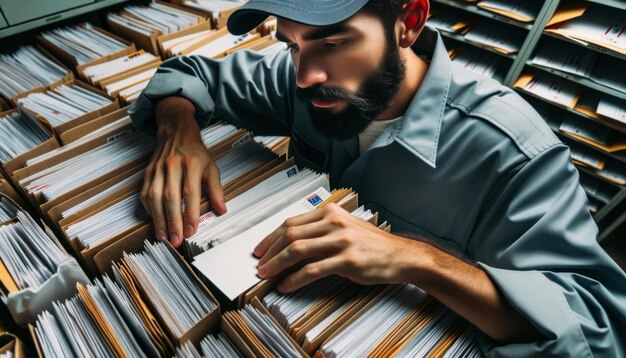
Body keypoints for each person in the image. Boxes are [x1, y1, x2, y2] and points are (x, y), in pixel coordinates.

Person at [129, 0, 626, 355]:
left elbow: (598, 330)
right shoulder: (299, 77)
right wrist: (178, 128)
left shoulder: (515, 153)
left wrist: (419, 260)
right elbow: (188, 73)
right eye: (293, 45)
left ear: (409, 21)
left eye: (334, 42)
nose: (305, 76)